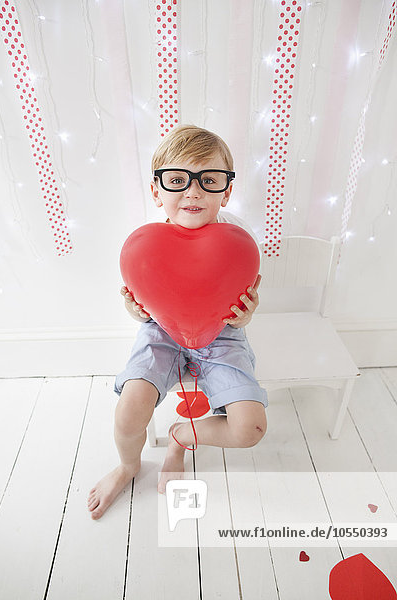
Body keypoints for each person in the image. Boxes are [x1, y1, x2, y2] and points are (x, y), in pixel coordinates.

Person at [88, 125, 268, 520]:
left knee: (250, 428)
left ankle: (181, 435)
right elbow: (142, 303)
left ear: (227, 190)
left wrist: (247, 314)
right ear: (157, 191)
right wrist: (135, 311)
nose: (193, 191)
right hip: (162, 332)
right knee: (129, 409)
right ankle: (128, 466)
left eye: (209, 179)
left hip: (222, 335)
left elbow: (244, 292)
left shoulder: (239, 237)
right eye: (176, 180)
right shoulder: (145, 242)